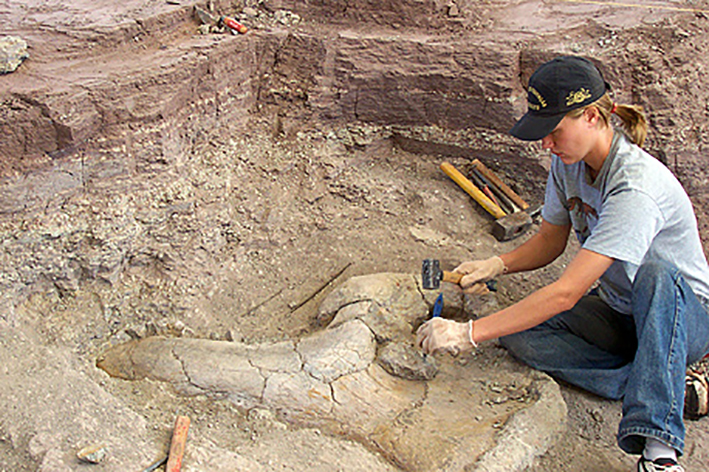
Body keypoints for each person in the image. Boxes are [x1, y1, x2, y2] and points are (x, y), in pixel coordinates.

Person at [416, 55, 709, 472]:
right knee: (520, 336)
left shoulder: (635, 188)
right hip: (619, 311)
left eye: (554, 131)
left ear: (591, 116)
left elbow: (567, 291)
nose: (546, 144)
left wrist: (469, 333)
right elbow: (550, 241)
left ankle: (660, 454)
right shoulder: (568, 166)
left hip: (682, 318)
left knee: (657, 275)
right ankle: (659, 383)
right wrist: (497, 264)